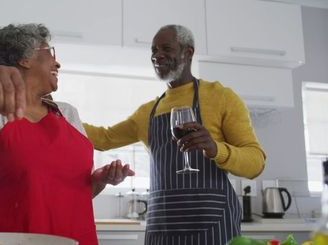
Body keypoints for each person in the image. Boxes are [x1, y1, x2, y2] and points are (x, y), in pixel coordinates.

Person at [0, 23, 134, 245]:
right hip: (0, 237)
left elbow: (69, 195)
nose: (58, 62)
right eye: (50, 53)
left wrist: (100, 180)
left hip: (71, 237)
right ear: (25, 59)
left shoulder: (68, 114)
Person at [83, 25, 266, 244]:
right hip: (163, 227)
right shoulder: (147, 112)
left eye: (166, 48)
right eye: (153, 50)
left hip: (214, 225)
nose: (156, 55)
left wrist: (216, 149)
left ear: (188, 52)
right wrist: (59, 114)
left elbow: (256, 163)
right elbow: (104, 138)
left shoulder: (222, 97)